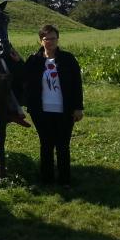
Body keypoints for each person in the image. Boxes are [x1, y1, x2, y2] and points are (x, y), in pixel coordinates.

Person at [23, 25, 84, 187]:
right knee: (46, 144)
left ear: (58, 39)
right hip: (41, 111)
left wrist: (78, 107)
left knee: (63, 145)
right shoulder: (34, 60)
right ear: (40, 40)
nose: (50, 41)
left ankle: (65, 180)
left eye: (53, 38)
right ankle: (47, 179)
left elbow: (77, 84)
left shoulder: (68, 59)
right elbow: (22, 77)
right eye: (46, 38)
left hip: (65, 111)